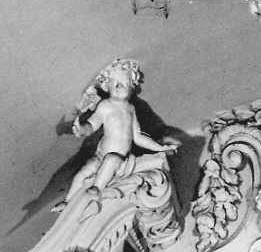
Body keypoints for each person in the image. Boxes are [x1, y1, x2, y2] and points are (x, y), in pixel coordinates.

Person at [54, 59, 179, 211]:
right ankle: (67, 202)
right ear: (107, 86)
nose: (119, 87)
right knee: (83, 173)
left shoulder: (131, 109)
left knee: (111, 160)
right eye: (115, 84)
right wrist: (82, 129)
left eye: (123, 83)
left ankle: (97, 188)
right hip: (100, 155)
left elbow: (138, 136)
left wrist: (159, 148)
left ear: (131, 87)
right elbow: (92, 125)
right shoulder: (105, 106)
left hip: (119, 159)